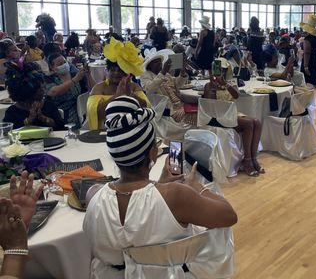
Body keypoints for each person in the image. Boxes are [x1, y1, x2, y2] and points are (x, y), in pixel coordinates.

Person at [83, 96, 237, 277]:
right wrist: (195, 185)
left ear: (113, 156)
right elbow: (229, 216)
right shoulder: (177, 195)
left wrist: (160, 186)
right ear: (153, 153)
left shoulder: (92, 194)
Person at [203, 58, 263, 176]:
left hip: (231, 114)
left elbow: (236, 95)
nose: (220, 72)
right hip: (218, 117)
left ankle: (253, 158)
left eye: (223, 70)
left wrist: (224, 84)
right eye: (218, 69)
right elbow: (210, 105)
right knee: (248, 123)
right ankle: (247, 160)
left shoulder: (230, 83)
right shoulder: (208, 86)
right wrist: (213, 86)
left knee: (257, 122)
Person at [87, 38, 149, 130]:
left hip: (132, 129)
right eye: (112, 70)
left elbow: (146, 108)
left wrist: (130, 94)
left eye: (120, 70)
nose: (116, 73)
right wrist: (117, 95)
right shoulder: (99, 88)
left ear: (127, 72)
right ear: (106, 71)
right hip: (104, 131)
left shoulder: (134, 87)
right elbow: (96, 115)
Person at [140, 49, 194, 126]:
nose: (159, 63)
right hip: (167, 109)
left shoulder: (165, 74)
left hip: (179, 103)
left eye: (160, 61)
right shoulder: (146, 75)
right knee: (193, 114)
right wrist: (163, 72)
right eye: (156, 62)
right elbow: (149, 90)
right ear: (150, 65)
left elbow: (178, 84)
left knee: (198, 107)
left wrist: (182, 72)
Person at [4, 62, 65, 130]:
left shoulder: (48, 105)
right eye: (40, 88)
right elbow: (8, 134)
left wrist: (44, 119)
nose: (43, 90)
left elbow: (61, 128)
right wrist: (29, 120)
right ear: (28, 92)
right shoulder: (12, 112)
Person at [45, 53, 86, 129]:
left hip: (80, 110)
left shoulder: (75, 74)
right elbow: (54, 92)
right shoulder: (49, 79)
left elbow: (91, 90)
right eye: (60, 64)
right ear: (52, 67)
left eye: (64, 62)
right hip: (62, 114)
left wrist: (89, 74)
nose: (64, 65)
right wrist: (75, 80)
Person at [300, 15, 316, 108]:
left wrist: (306, 66)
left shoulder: (307, 39)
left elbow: (307, 52)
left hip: (309, 61)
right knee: (315, 81)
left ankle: (305, 101)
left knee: (304, 80)